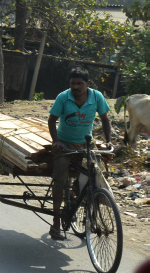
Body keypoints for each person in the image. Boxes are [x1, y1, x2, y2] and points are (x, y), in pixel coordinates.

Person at [48, 67, 113, 240]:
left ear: (88, 84)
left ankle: (79, 197)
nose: (75, 87)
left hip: (86, 144)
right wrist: (56, 142)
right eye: (73, 83)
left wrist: (108, 141)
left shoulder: (97, 97)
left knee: (94, 177)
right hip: (65, 145)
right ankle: (55, 223)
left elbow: (106, 120)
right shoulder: (63, 97)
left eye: (79, 83)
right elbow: (52, 120)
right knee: (60, 180)